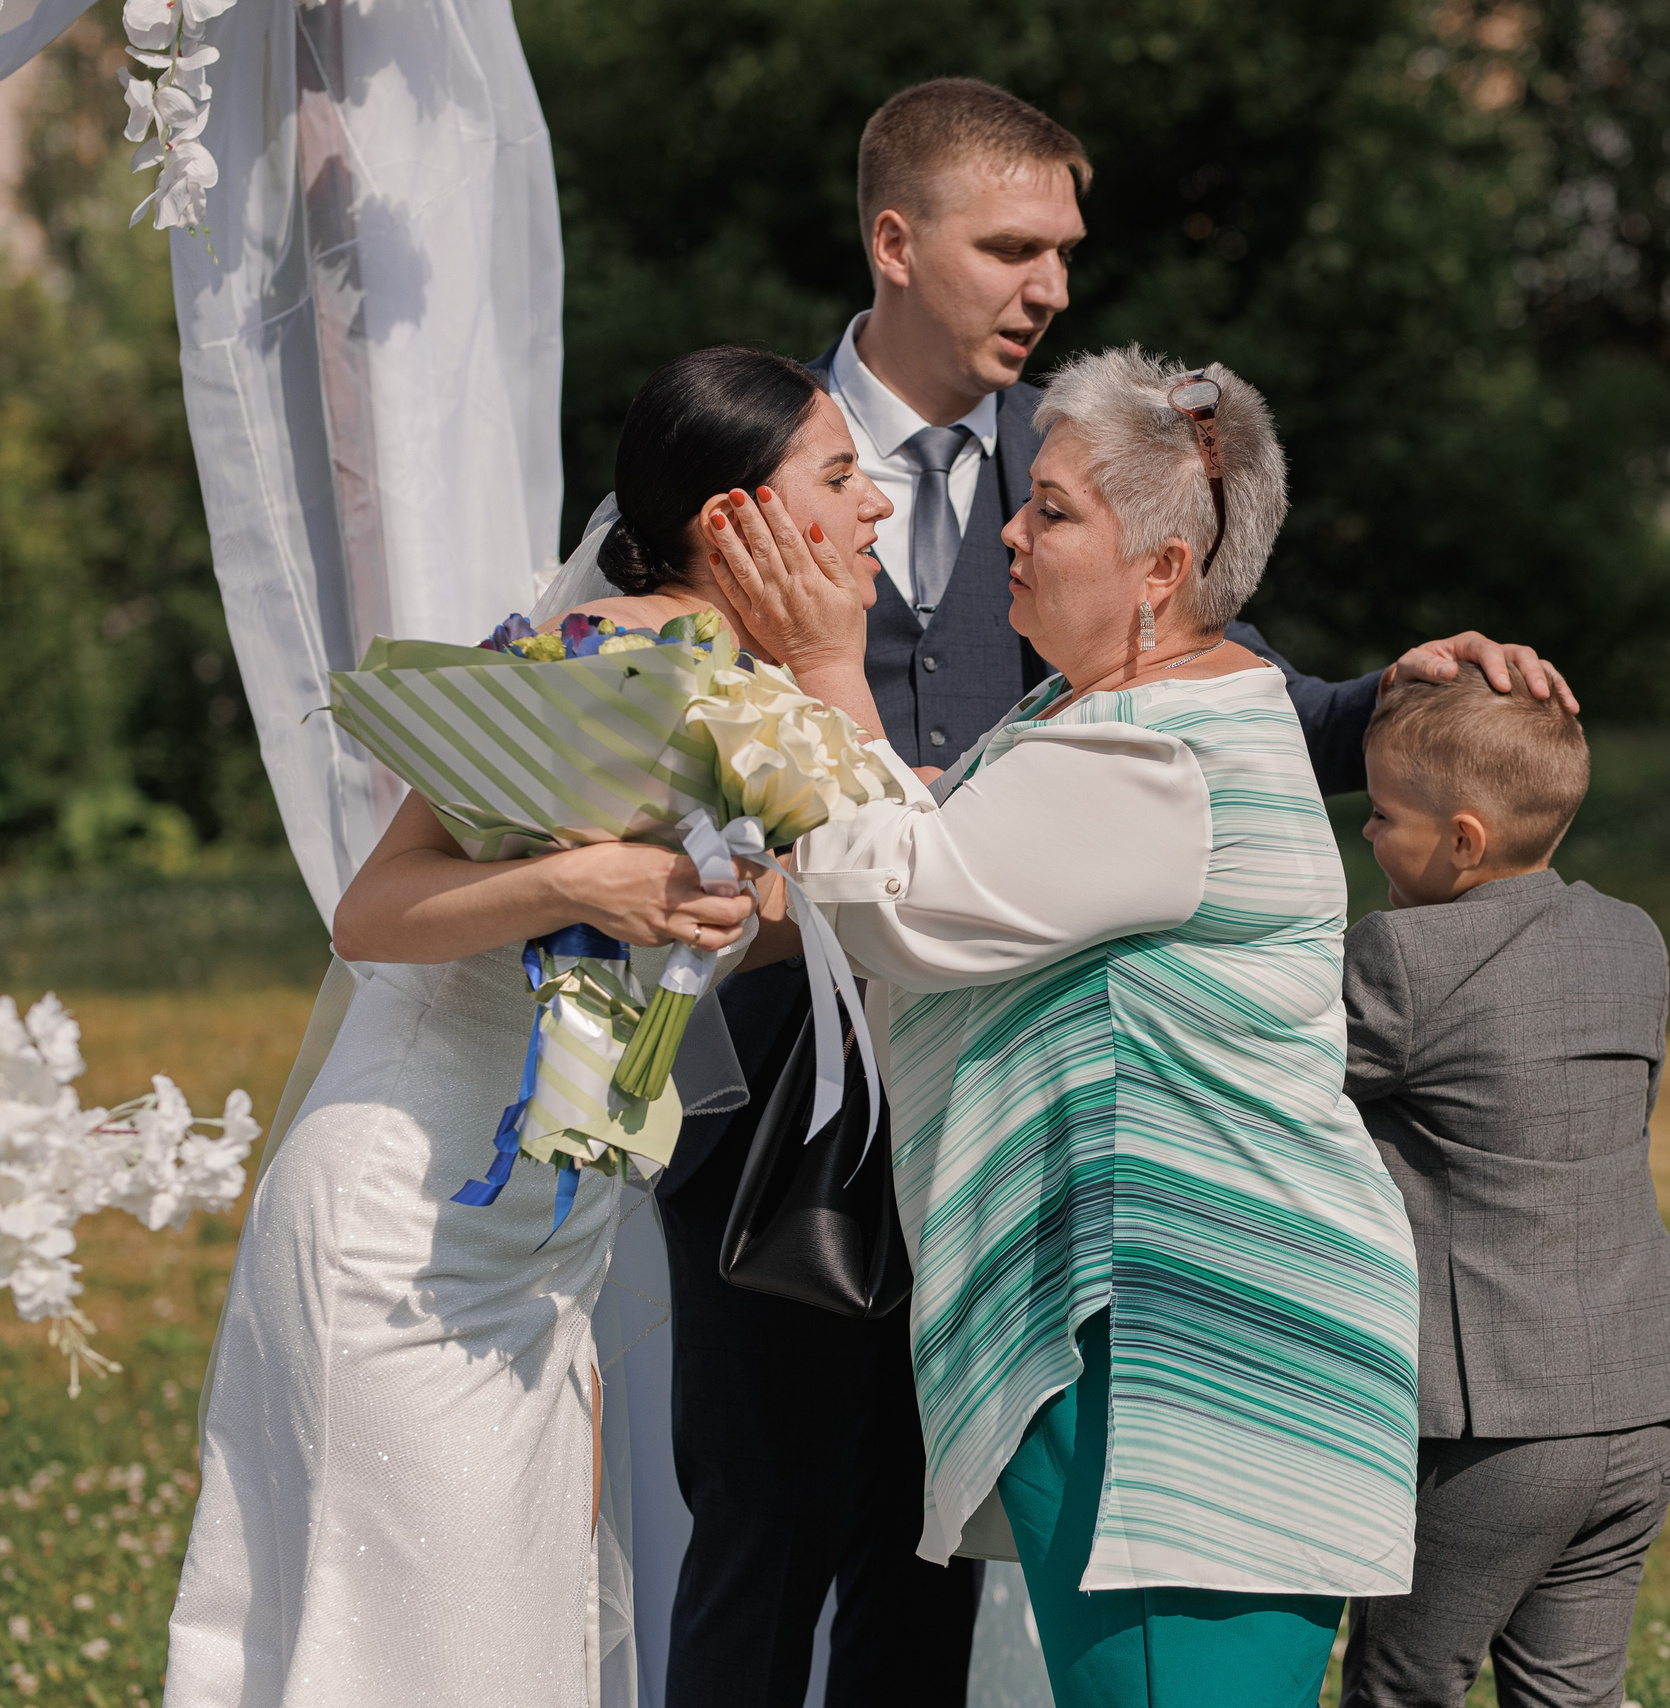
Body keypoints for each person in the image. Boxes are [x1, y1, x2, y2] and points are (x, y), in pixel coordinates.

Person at [655, 76, 1572, 1708]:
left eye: (1065, 249)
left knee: (919, 1565)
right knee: (765, 1526)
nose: (1052, 285)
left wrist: (1393, 705)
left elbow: (1172, 737)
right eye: (1013, 244)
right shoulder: (739, 439)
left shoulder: (1114, 496)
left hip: (1084, 1195)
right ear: (894, 238)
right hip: (797, 1084)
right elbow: (615, 691)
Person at [162, 347, 880, 1708]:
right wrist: (574, 881)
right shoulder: (560, 669)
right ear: (736, 520)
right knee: (395, 1651)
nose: (876, 508)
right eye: (840, 479)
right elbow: (371, 916)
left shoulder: (771, 708)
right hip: (400, 1226)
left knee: (499, 1651)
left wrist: (747, 898)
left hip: (544, 1256)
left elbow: (883, 883)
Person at [711, 345, 1422, 1708]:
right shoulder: (1099, 716)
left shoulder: (1160, 756)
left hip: (1182, 1348)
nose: (1011, 534)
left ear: (1162, 570)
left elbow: (907, 904)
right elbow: (921, 875)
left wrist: (821, 667)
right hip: (1150, 1325)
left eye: (1053, 510)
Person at [1334, 665, 1670, 1708]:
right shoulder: (1630, 937)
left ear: (1462, 839)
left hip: (1489, 1427)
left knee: (1401, 1683)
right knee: (1573, 1696)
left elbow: (1265, 1065)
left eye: (1381, 814)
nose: (1366, 834)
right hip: (1632, 1410)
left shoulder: (1399, 960)